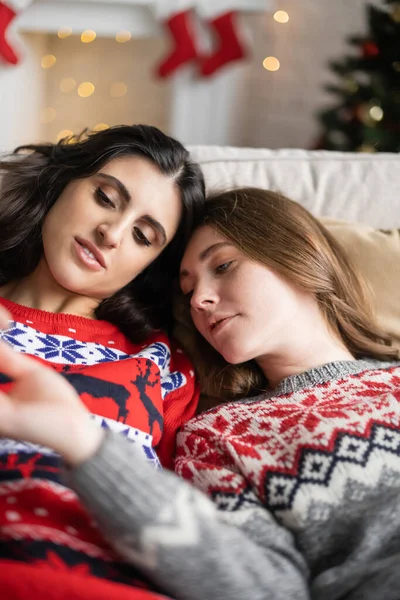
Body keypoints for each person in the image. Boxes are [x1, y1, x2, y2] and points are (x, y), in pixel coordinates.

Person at [0, 187, 399, 600]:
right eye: (188, 291)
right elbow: (263, 590)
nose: (201, 300)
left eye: (223, 265)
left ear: (299, 250)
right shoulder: (220, 435)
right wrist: (87, 446)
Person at [0, 124, 205, 599]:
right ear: (61, 183)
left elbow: (192, 531)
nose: (111, 233)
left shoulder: (162, 367)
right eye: (106, 198)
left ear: (149, 266)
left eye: (142, 234)